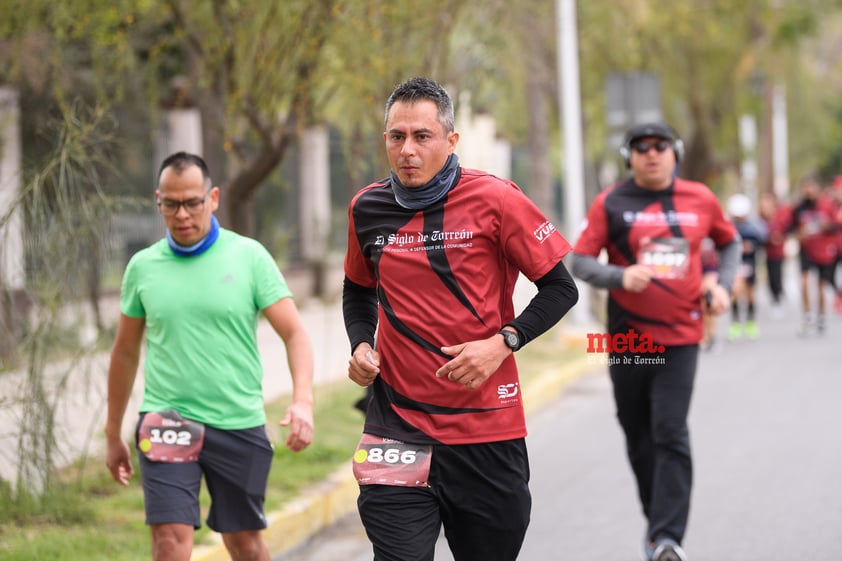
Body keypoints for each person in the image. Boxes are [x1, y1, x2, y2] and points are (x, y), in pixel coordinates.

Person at [342, 77, 578, 561]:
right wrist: (361, 343)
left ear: (451, 141)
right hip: (396, 425)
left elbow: (561, 289)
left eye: (422, 136)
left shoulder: (497, 199)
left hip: (486, 430)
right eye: (396, 136)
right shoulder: (367, 208)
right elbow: (358, 288)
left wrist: (503, 342)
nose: (407, 149)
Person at [104, 152, 315, 561]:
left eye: (192, 202)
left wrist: (303, 400)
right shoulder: (142, 267)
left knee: (245, 545)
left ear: (213, 198)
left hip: (237, 421)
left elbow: (294, 333)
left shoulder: (249, 257)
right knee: (169, 542)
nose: (182, 214)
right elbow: (125, 351)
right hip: (166, 420)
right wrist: (113, 433)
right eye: (170, 204)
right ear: (158, 202)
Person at [570, 123, 740, 561]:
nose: (651, 154)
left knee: (670, 430)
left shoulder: (700, 198)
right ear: (629, 156)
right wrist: (619, 276)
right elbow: (581, 261)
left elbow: (729, 241)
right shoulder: (611, 202)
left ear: (674, 153)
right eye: (641, 148)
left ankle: (668, 538)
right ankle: (657, 525)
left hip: (682, 336)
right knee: (637, 432)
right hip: (628, 337)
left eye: (660, 147)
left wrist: (721, 284)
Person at [789, 175, 836, 335]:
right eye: (806, 187)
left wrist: (827, 226)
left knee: (821, 286)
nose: (809, 191)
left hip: (824, 251)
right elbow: (791, 230)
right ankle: (807, 316)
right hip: (806, 250)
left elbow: (836, 227)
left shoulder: (828, 206)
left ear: (818, 189)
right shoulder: (799, 208)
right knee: (804, 282)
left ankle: (821, 317)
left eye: (812, 187)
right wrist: (799, 234)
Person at [725, 193, 768, 341]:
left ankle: (750, 322)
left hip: (750, 263)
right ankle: (735, 323)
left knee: (750, 293)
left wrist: (751, 247)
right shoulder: (728, 226)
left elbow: (763, 242)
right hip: (734, 264)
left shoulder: (754, 227)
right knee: (735, 292)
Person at [758, 191, 792, 317]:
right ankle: (776, 296)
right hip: (767, 252)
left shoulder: (781, 214)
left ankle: (778, 298)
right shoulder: (762, 216)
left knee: (777, 275)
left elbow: (785, 230)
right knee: (770, 277)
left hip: (779, 252)